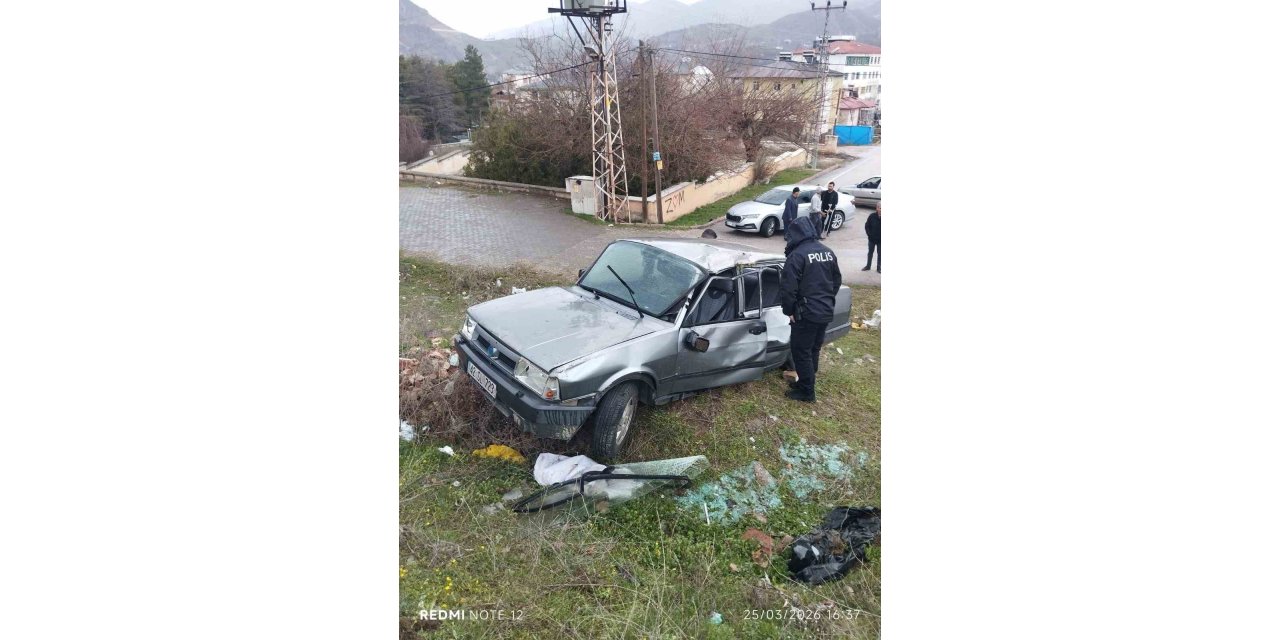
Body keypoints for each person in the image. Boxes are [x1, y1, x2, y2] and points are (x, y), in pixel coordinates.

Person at [778, 216, 842, 403]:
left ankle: (806, 392)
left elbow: (788, 288)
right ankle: (807, 382)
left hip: (806, 313)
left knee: (801, 351)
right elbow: (836, 281)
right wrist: (826, 299)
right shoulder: (828, 252)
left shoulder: (797, 255)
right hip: (825, 310)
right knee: (813, 349)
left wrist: (789, 310)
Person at [862, 202, 881, 273]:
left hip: (881, 240)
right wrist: (869, 234)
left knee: (880, 254)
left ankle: (879, 268)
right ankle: (868, 266)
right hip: (872, 239)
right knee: (870, 253)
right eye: (880, 208)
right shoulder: (872, 216)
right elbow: (867, 226)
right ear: (877, 208)